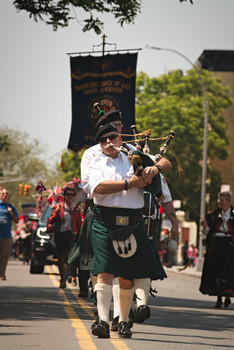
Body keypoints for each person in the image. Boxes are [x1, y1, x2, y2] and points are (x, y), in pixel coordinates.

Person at [81, 109, 175, 327]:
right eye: (103, 139)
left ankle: (123, 320)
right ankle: (102, 321)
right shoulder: (95, 159)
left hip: (133, 220)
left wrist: (155, 167)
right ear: (100, 142)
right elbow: (96, 188)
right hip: (104, 219)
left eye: (112, 136)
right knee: (104, 272)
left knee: (126, 277)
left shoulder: (133, 153)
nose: (108, 141)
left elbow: (167, 163)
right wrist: (128, 184)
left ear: (119, 137)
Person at [199, 191, 234, 308]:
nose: (219, 202)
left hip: (230, 247)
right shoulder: (213, 215)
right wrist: (205, 227)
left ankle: (228, 295)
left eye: (222, 200)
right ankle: (219, 298)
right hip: (216, 246)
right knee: (217, 271)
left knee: (229, 271)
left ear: (229, 202)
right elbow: (207, 232)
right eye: (219, 200)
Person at [47, 183, 84, 289]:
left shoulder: (76, 210)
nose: (69, 197)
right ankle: (62, 276)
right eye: (67, 194)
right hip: (60, 235)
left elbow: (79, 226)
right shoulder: (59, 207)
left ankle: (64, 280)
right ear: (64, 196)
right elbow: (50, 220)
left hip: (71, 235)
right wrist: (56, 214)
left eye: (72, 195)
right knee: (60, 258)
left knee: (68, 257)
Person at [0, 188, 19, 280]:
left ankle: (2, 274)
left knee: (5, 254)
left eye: (6, 194)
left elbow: (17, 220)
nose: (5, 195)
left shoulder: (10, 206)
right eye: (3, 193)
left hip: (6, 235)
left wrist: (11, 213)